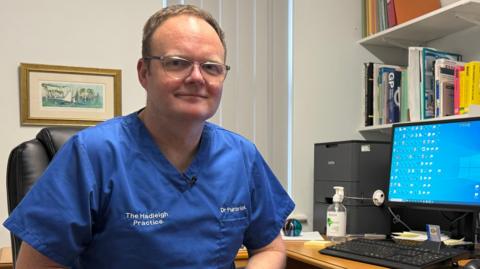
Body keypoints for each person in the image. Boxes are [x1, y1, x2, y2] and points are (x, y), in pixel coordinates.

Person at [4, 4, 295, 269]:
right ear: (145, 73)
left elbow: (270, 248)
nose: (197, 77)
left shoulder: (242, 156)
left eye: (211, 67)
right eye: (177, 62)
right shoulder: (91, 155)